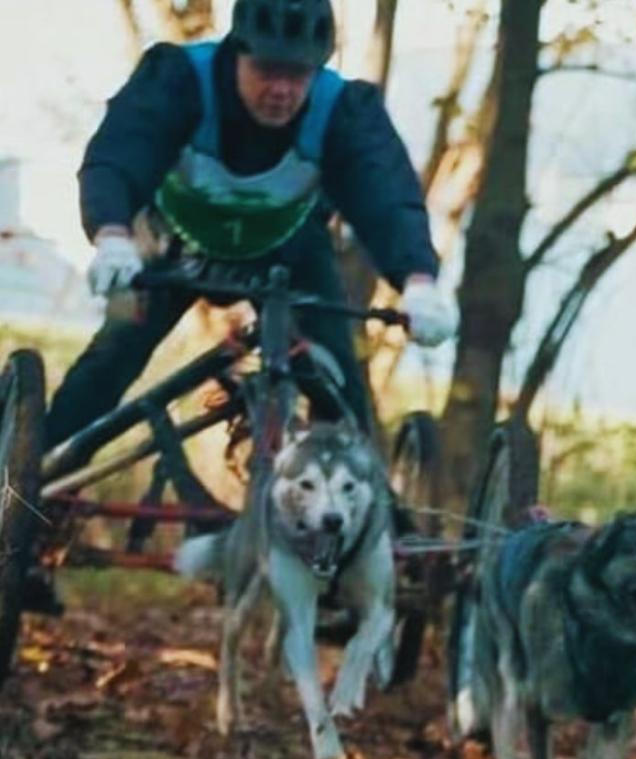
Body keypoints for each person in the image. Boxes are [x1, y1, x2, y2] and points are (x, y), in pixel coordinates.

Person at [46, 0, 456, 449]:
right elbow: (120, 155)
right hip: (170, 244)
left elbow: (386, 196)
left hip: (288, 252)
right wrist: (111, 234)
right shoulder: (179, 78)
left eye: (298, 74)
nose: (282, 89)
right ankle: (34, 472)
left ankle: (342, 480)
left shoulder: (344, 108)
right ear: (236, 52)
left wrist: (418, 281)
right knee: (109, 364)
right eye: (267, 70)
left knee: (339, 389)